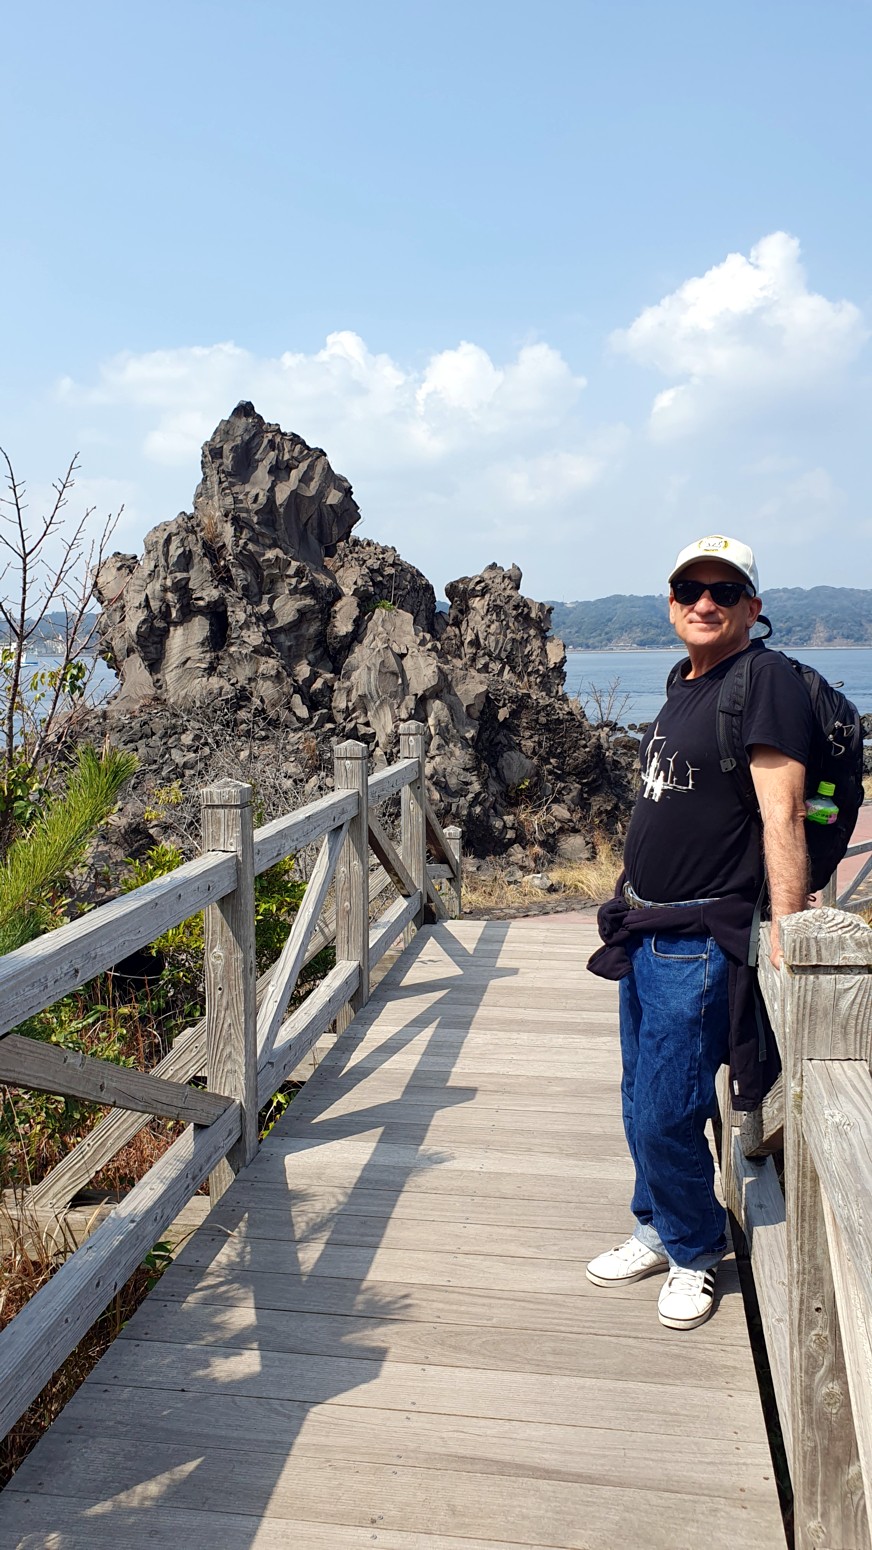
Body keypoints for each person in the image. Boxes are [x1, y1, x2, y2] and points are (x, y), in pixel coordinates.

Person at [586, 534, 812, 1330]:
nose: (704, 603)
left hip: (696, 941)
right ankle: (656, 1225)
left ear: (753, 607)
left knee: (667, 1110)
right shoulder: (685, 682)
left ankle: (695, 1249)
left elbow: (784, 810)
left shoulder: (764, 680)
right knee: (637, 1097)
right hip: (645, 927)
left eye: (724, 592)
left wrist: (789, 929)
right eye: (690, 590)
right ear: (671, 602)